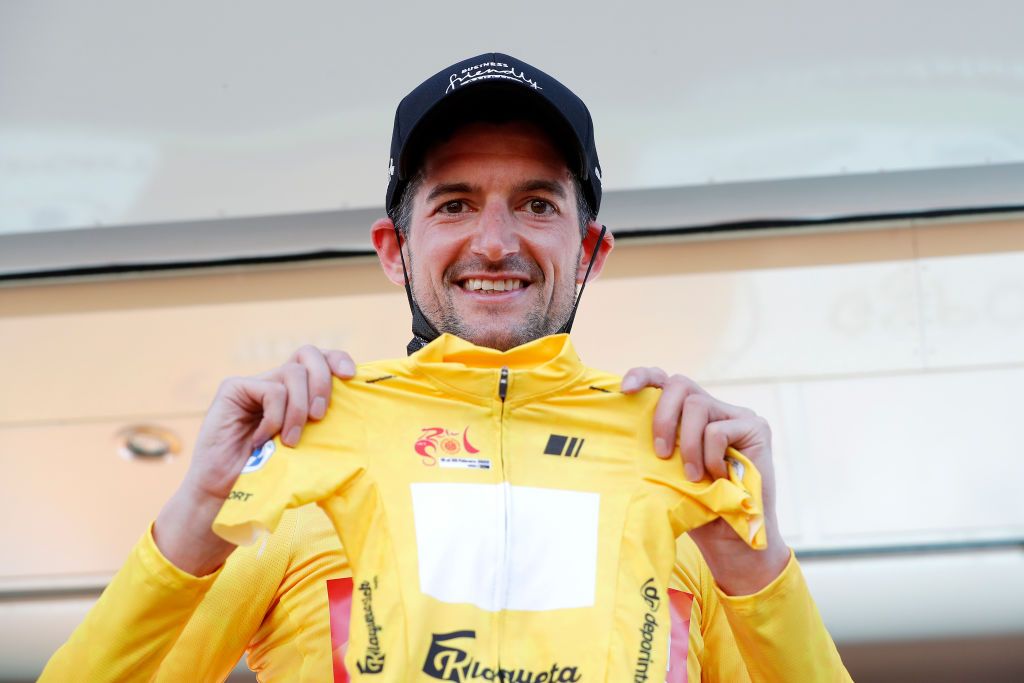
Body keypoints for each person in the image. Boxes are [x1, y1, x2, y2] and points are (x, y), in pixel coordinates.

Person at [43, 54, 850, 681]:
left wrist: (759, 568)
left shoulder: (677, 479)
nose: (494, 242)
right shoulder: (304, 460)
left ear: (592, 250)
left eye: (537, 203)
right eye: (454, 203)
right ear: (394, 251)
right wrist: (195, 510)